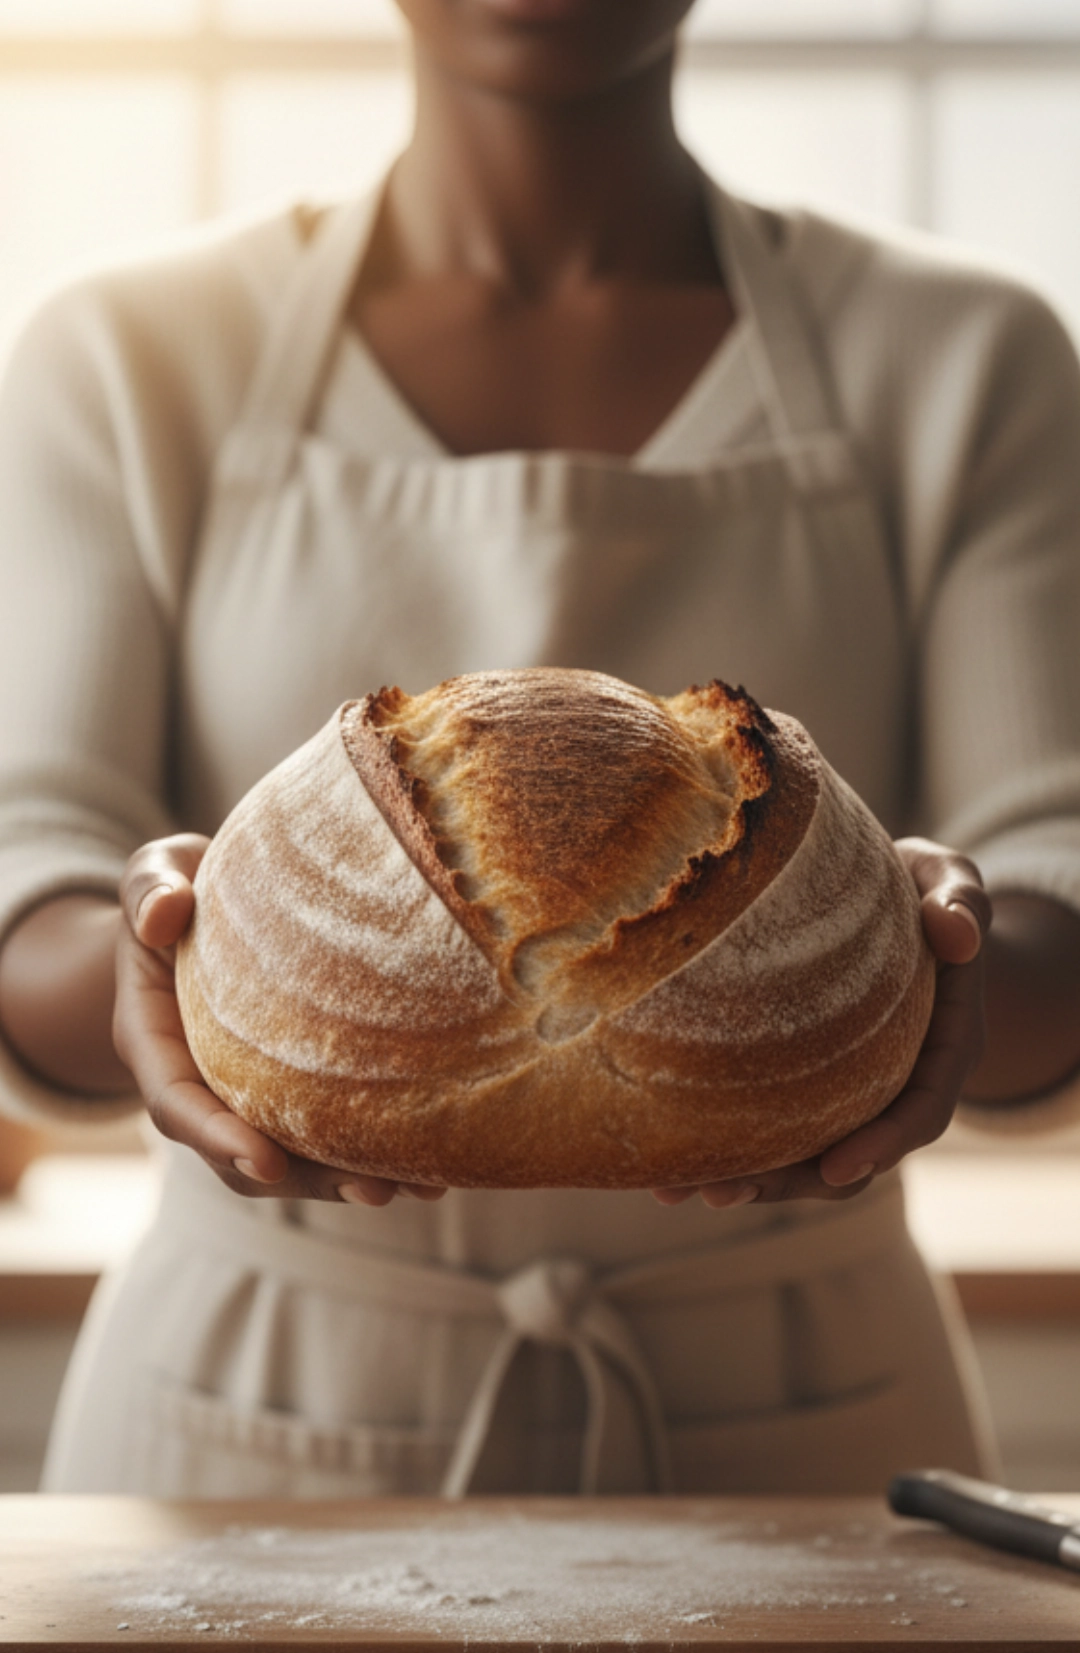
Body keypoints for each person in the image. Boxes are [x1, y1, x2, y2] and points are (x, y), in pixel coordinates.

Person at [0, 0, 1078, 1498]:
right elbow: (30, 867)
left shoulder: (970, 355)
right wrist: (152, 951)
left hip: (814, 1427)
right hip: (241, 1426)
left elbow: (1050, 878)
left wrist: (945, 963)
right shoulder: (125, 353)